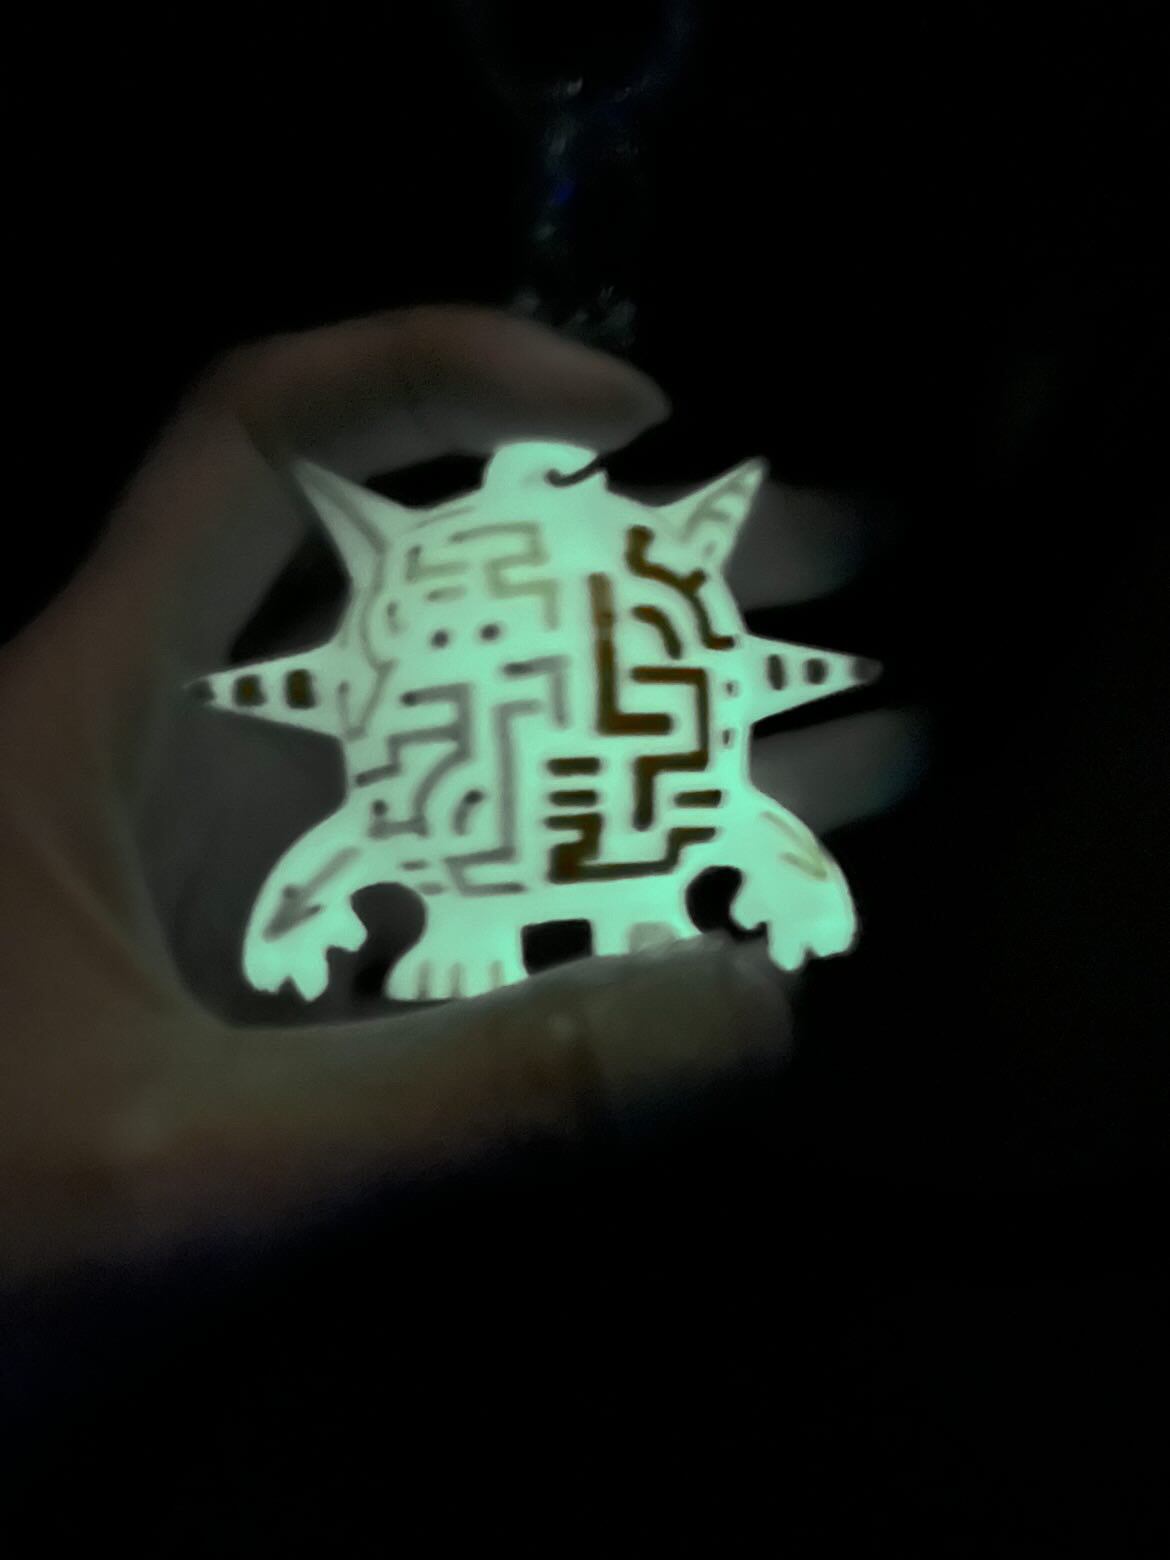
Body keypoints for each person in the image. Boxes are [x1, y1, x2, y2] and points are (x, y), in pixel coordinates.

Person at [0, 304, 918, 1285]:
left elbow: (359, 838)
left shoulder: (505, 598)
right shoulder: (542, 595)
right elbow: (358, 837)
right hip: (539, 844)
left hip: (540, 836)